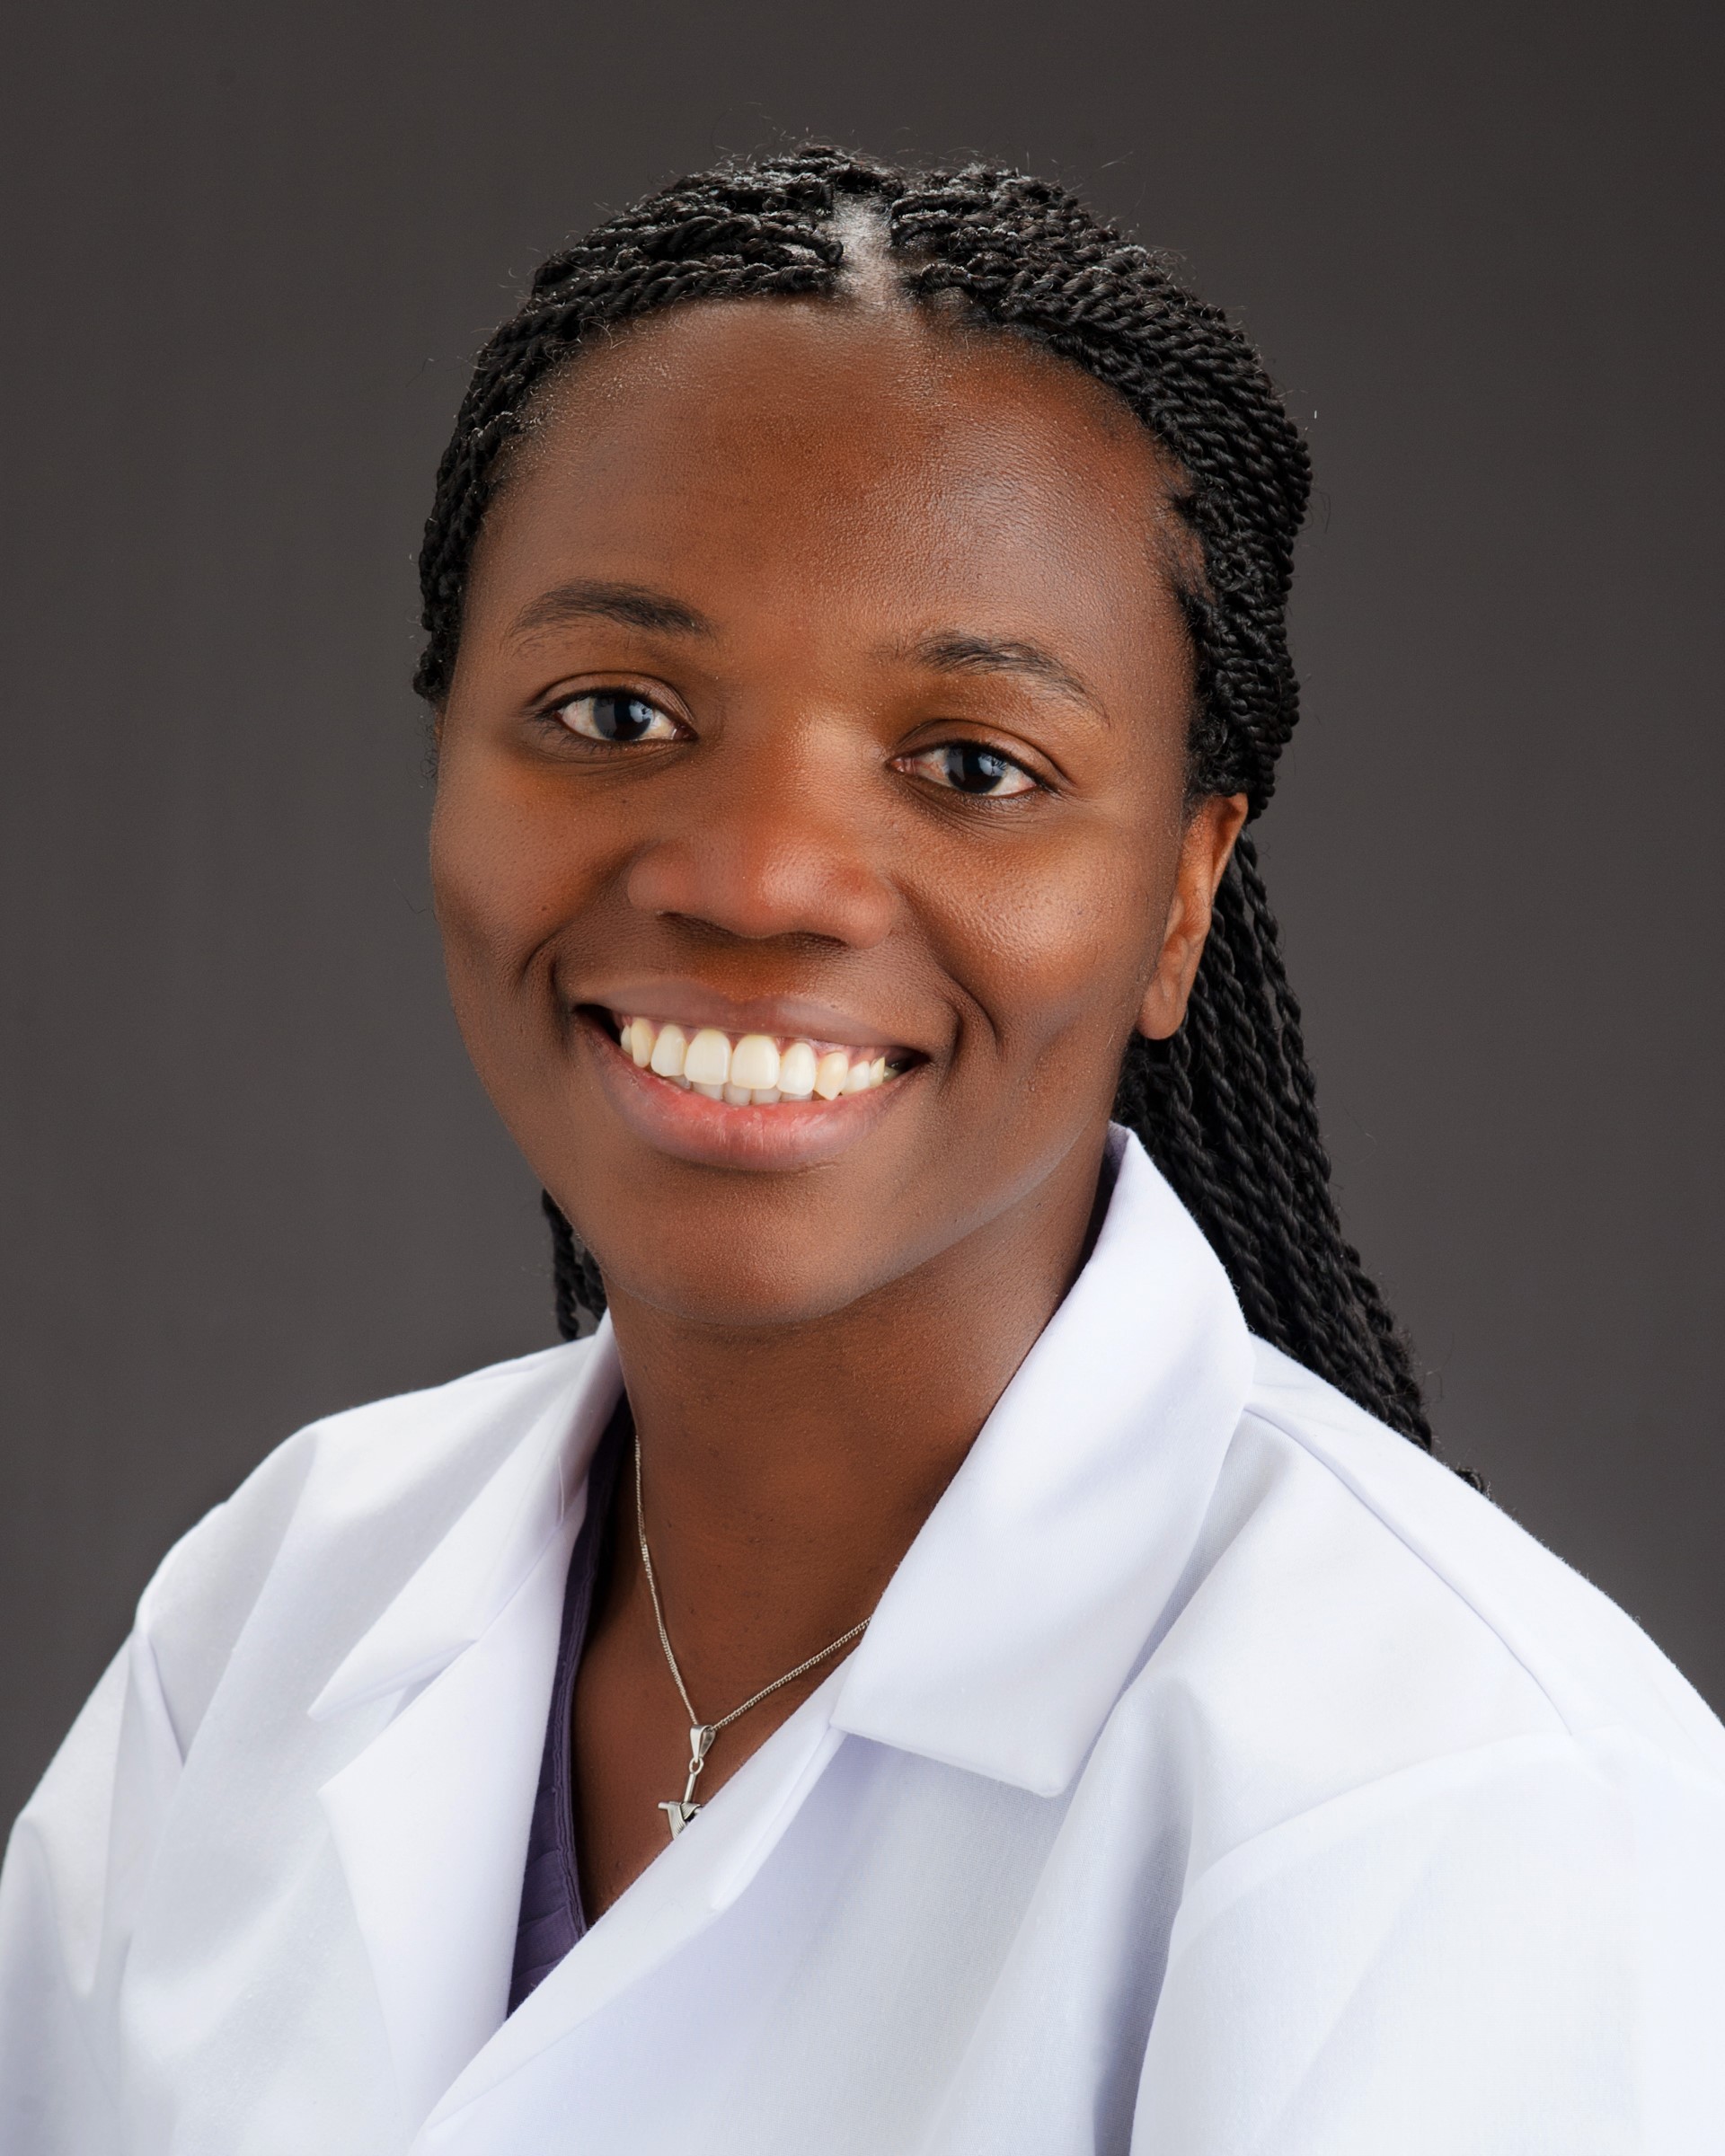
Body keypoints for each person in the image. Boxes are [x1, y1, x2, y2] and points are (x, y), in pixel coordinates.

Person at [2, 146, 1721, 2155]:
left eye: (974, 763)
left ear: (1181, 895)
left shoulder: (1466, 1800)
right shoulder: (281, 1601)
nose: (759, 880)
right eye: (618, 713)